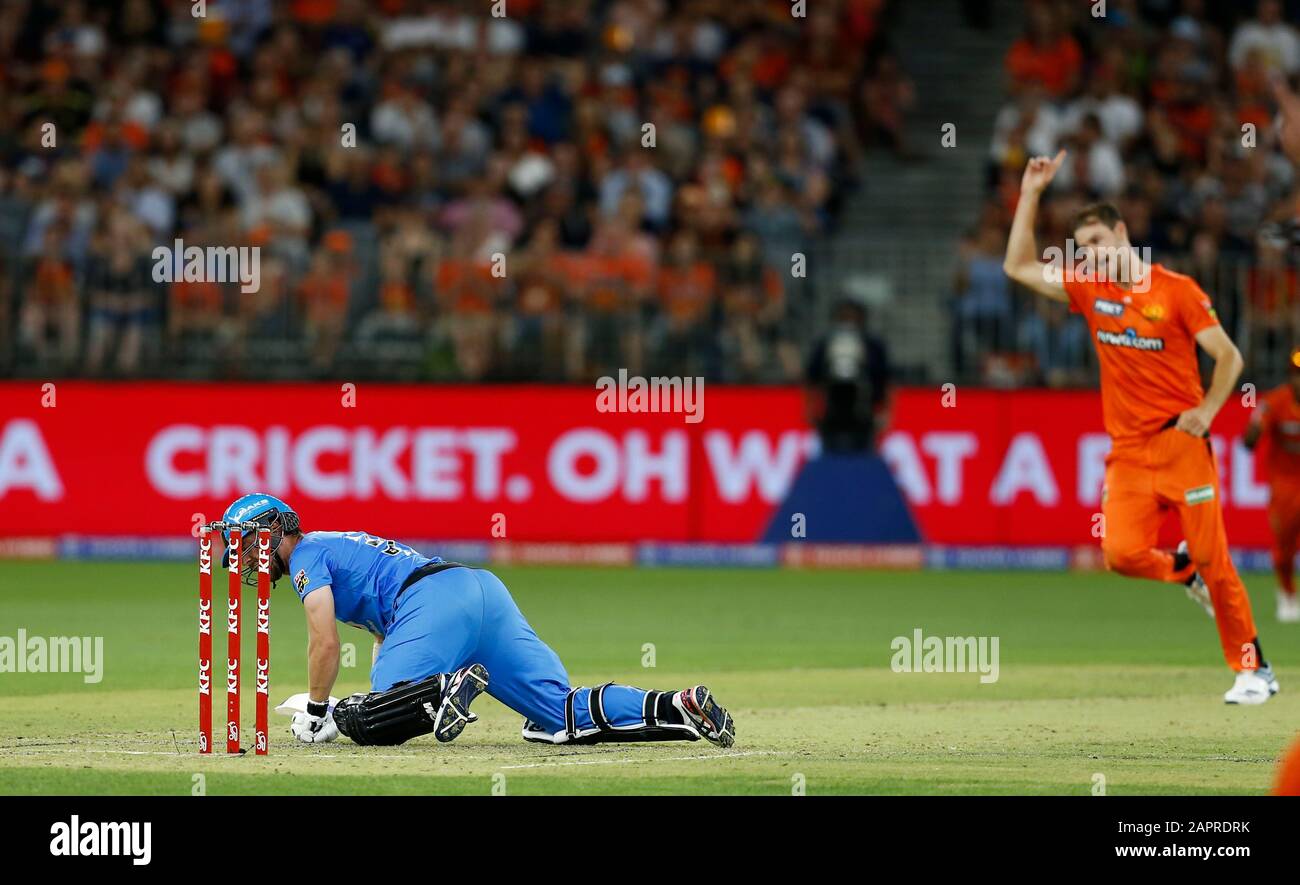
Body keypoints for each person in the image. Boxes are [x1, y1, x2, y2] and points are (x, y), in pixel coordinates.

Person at [1002, 149, 1278, 704]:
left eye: (1098, 244)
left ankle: (1254, 670)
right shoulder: (1090, 289)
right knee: (1121, 554)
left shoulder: (1177, 291)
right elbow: (1018, 267)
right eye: (1083, 250)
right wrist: (1030, 194)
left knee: (1215, 558)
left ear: (1123, 232)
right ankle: (1186, 577)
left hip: (1182, 444)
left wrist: (1208, 410)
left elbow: (1228, 358)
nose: (1092, 256)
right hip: (1127, 453)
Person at [216, 494, 736, 747]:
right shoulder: (336, 546)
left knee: (371, 715)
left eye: (241, 547)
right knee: (559, 718)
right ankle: (677, 705)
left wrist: (317, 709)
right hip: (481, 593)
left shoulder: (307, 558)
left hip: (434, 604)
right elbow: (383, 631)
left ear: (269, 532)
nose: (239, 562)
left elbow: (323, 644)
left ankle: (448, 688)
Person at [1244, 347, 1300, 623]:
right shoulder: (1276, 402)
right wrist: (1254, 429)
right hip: (1286, 485)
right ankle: (1287, 595)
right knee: (1285, 545)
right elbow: (1249, 442)